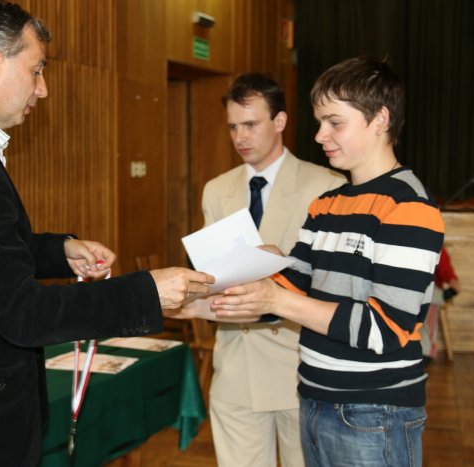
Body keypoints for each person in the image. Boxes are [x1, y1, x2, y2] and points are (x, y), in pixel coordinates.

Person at [0, 2, 213, 466]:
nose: (43, 88)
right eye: (36, 70)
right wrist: (147, 292)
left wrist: (59, 251)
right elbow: (22, 312)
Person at [172, 56, 445, 466]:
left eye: (335, 122)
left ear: (380, 119)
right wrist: (199, 302)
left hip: (374, 410)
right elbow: (292, 287)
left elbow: (386, 329)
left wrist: (277, 297)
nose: (320, 135)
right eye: (319, 123)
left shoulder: (407, 206)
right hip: (315, 397)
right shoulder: (327, 204)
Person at [199, 73, 344, 467]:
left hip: (298, 364)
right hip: (235, 365)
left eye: (251, 124)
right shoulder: (216, 190)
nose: (240, 137)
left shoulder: (326, 186)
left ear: (280, 121)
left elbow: (336, 284)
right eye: (233, 127)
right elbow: (213, 277)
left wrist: (281, 265)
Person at [421, 246, 460, 359]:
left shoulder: (435, 245)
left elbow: (444, 267)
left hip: (430, 288)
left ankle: (426, 352)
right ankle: (442, 296)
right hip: (410, 287)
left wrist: (451, 279)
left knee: (428, 309)